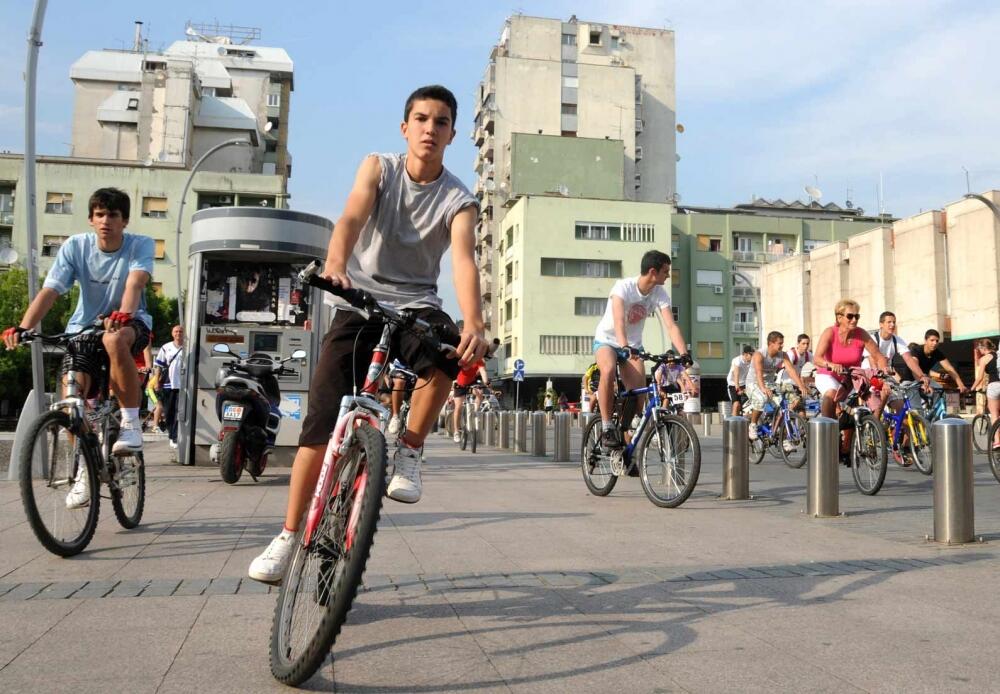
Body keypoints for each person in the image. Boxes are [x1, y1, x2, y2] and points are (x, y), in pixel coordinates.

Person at [249, 85, 487, 583]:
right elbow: (352, 216)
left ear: (452, 135)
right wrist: (336, 266)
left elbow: (464, 261)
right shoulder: (379, 168)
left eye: (441, 122)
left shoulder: (460, 199)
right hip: (359, 303)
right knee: (319, 427)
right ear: (405, 128)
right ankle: (289, 535)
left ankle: (410, 450)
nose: (430, 128)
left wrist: (475, 322)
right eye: (421, 119)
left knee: (449, 354)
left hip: (416, 306)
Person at [2, 188, 153, 506]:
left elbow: (135, 282)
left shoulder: (140, 244)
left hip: (130, 322)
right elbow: (51, 290)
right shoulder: (75, 246)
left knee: (114, 339)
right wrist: (24, 327)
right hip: (83, 328)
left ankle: (130, 423)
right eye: (100, 214)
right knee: (71, 402)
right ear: (90, 219)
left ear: (124, 221)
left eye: (113, 215)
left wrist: (123, 314)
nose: (106, 221)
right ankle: (85, 469)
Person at [592, 250, 691, 449]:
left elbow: (671, 326)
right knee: (608, 370)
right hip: (608, 341)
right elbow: (619, 321)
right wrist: (624, 346)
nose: (668, 275)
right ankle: (607, 425)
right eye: (665, 271)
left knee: (638, 397)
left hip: (634, 347)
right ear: (653, 272)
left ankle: (625, 443)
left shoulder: (659, 293)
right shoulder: (623, 287)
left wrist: (684, 353)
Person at [812, 299, 888, 463]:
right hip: (828, 374)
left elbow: (878, 356)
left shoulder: (861, 334)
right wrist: (830, 364)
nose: (854, 320)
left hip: (851, 377)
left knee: (858, 407)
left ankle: (848, 446)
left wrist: (884, 371)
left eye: (857, 316)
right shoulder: (830, 332)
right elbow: (817, 358)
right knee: (831, 394)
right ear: (839, 317)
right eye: (850, 316)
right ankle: (829, 434)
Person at [745, 332, 809, 448]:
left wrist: (801, 385)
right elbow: (759, 373)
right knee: (762, 398)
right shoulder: (759, 354)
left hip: (770, 383)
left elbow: (791, 371)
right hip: (753, 383)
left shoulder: (782, 355)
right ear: (771, 343)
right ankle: (752, 425)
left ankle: (782, 438)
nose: (782, 346)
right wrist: (763, 388)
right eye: (779, 343)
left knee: (783, 407)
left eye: (782, 343)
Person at [862, 311, 931, 416]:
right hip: (870, 373)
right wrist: (882, 381)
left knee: (900, 408)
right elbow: (872, 362)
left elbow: (909, 359)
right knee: (883, 394)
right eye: (889, 322)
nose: (892, 325)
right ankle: (875, 422)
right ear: (881, 324)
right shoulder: (872, 339)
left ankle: (897, 426)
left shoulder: (897, 340)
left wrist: (922, 376)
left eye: (894, 322)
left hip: (886, 374)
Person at [907, 329, 968, 394]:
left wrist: (961, 385)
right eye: (932, 340)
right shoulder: (916, 350)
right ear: (925, 340)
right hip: (909, 381)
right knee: (917, 398)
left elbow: (950, 368)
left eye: (937, 341)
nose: (935, 343)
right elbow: (914, 368)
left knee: (940, 391)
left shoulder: (937, 353)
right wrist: (922, 384)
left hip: (925, 380)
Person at [154, 325, 184, 450]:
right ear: (172, 333)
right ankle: (171, 435)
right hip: (168, 384)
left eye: (181, 331)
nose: (178, 333)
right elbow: (158, 366)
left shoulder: (188, 347)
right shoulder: (166, 347)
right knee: (169, 411)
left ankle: (175, 436)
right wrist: (157, 381)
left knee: (178, 411)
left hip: (183, 385)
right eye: (176, 331)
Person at [452, 357, 489, 441]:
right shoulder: (463, 358)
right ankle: (456, 431)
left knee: (479, 392)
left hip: (471, 382)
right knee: (458, 407)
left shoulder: (480, 360)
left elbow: (483, 372)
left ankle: (475, 412)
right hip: (459, 383)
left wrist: (486, 382)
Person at [972, 338, 1000, 450]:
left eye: (979, 349)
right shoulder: (998, 355)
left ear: (983, 348)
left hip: (994, 386)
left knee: (994, 414)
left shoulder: (984, 359)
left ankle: (997, 441)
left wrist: (972, 388)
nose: (979, 351)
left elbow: (980, 378)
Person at [726, 346, 754, 416]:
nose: (753, 356)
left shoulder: (752, 361)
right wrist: (738, 389)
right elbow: (736, 375)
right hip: (733, 384)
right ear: (745, 354)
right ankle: (734, 421)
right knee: (736, 404)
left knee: (752, 404)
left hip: (745, 383)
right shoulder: (737, 360)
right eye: (751, 354)